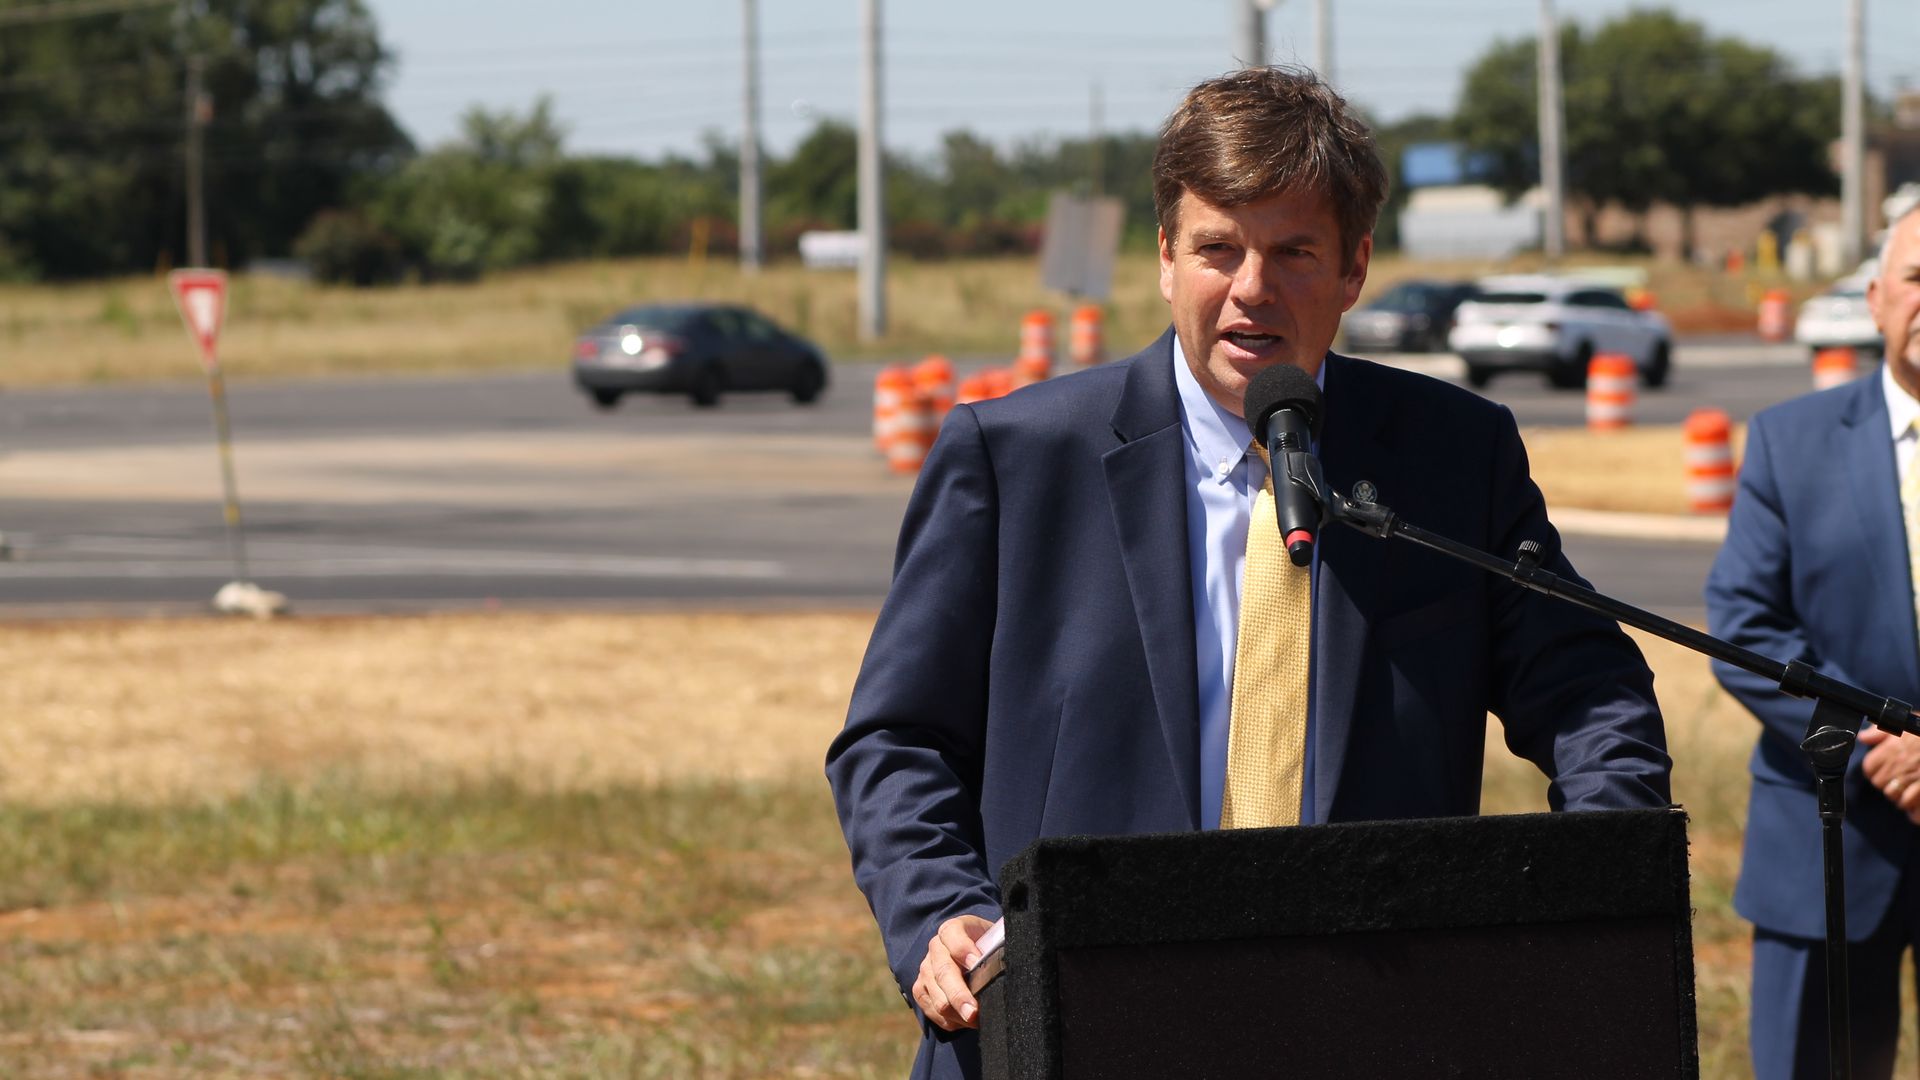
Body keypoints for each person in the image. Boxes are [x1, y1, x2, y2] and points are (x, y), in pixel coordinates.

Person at [828, 66, 1671, 1080]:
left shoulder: (1453, 455)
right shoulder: (1014, 459)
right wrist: (939, 911)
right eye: (1217, 250)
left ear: (1355, 267)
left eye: (1294, 252)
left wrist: (1594, 889)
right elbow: (895, 738)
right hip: (1076, 1019)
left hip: (1372, 1016)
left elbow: (1587, 692)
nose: (1252, 290)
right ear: (1164, 260)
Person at [1706, 202, 1920, 1079]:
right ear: (1874, 300)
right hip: (1828, 836)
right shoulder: (1790, 443)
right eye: (1918, 279)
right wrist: (1882, 744)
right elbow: (1746, 624)